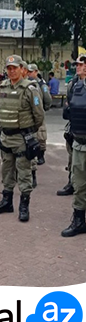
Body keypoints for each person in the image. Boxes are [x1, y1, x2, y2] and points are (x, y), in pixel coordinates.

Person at [0, 55, 45, 222]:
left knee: (24, 173)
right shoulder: (3, 86)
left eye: (15, 67)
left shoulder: (30, 89)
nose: (11, 71)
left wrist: (28, 132)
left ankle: (24, 206)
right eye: (9, 68)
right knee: (7, 171)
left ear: (22, 69)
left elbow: (39, 116)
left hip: (22, 139)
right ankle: (7, 202)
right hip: (6, 137)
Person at [62, 57, 86, 236]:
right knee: (78, 184)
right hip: (79, 143)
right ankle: (79, 221)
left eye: (82, 64)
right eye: (77, 64)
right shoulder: (74, 86)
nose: (78, 67)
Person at [27, 64, 51, 167]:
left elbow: (48, 99)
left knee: (41, 135)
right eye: (28, 71)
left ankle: (41, 155)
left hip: (39, 112)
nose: (29, 73)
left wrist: (43, 109)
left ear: (36, 72)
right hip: (30, 115)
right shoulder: (27, 83)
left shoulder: (41, 84)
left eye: (31, 72)